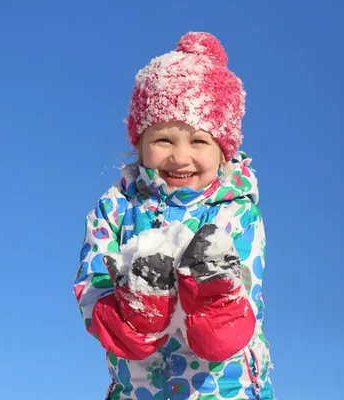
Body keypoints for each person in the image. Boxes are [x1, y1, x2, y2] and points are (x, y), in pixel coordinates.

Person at [73, 31, 275, 400]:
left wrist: (214, 295)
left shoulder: (237, 212)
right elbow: (91, 284)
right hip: (137, 390)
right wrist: (132, 313)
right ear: (141, 144)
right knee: (130, 311)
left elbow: (247, 291)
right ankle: (143, 303)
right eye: (164, 140)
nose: (180, 157)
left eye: (199, 141)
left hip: (220, 390)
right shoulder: (115, 209)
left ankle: (207, 295)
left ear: (223, 151)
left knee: (219, 312)